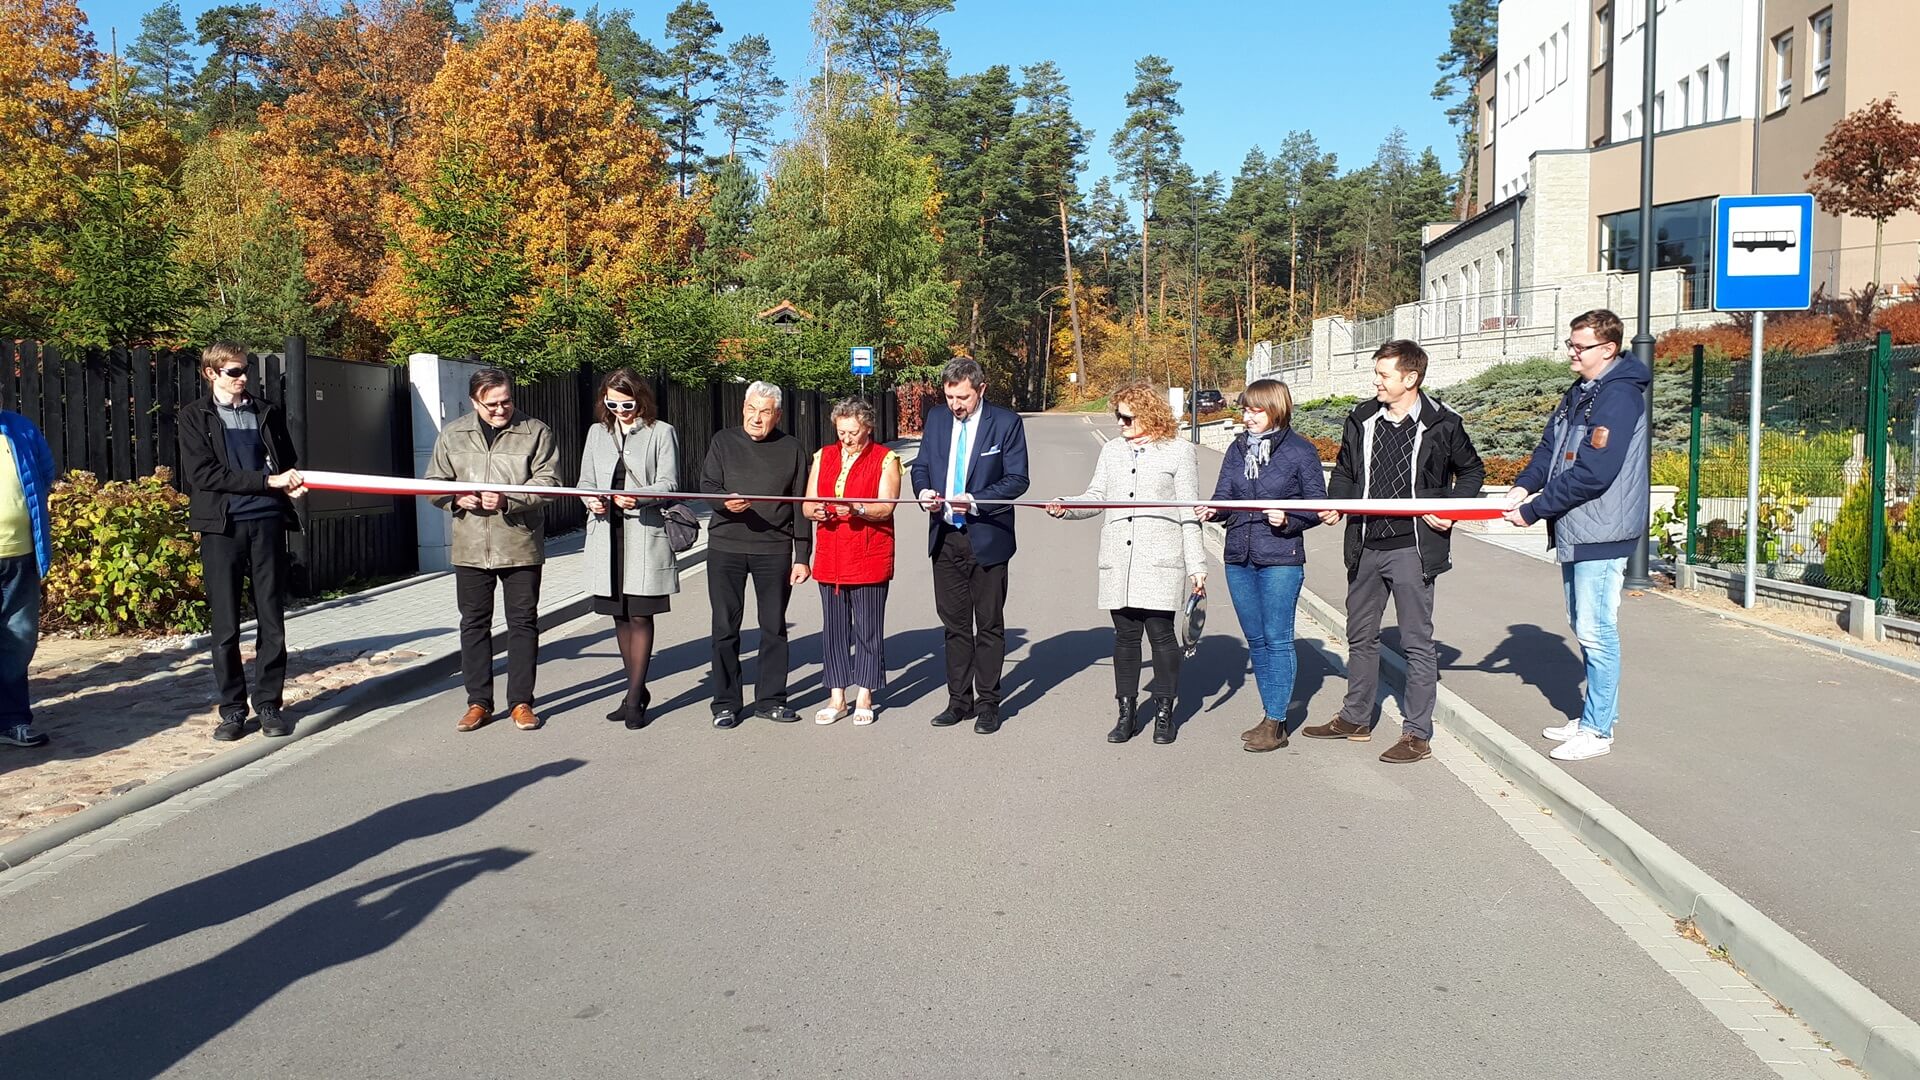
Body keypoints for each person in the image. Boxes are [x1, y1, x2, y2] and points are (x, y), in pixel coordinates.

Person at [1304, 339, 1485, 764]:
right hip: (1366, 546)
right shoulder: (1362, 418)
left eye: (1384, 375)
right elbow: (1347, 471)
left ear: (1410, 378)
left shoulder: (1443, 423)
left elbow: (1472, 470)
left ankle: (1416, 734)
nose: (1376, 382)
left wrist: (1451, 510)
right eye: (1377, 374)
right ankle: (1355, 717)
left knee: (1416, 643)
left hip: (1414, 549)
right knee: (1360, 636)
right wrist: (1338, 503)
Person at [1502, 308, 1650, 762]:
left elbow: (1594, 473)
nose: (1571, 351)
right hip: (1578, 526)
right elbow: (1550, 447)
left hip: (1602, 529)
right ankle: (1591, 716)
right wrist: (1525, 484)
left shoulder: (1619, 397)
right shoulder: (1584, 391)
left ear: (1607, 350)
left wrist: (1534, 510)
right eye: (1570, 343)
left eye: (1579, 346)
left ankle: (1599, 730)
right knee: (1582, 624)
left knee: (1596, 630)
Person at [1048, 384, 1206, 745]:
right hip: (1119, 560)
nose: (1119, 422)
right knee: (1125, 638)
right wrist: (1066, 507)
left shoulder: (1179, 452)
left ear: (1149, 415)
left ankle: (1164, 713)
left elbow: (1188, 510)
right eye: (1117, 416)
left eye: (1127, 417)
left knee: (1162, 637)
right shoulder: (1112, 451)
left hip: (1160, 560)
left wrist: (1197, 564)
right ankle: (1127, 712)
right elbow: (1097, 497)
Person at [177, 343, 306, 742]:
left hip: (267, 522)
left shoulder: (265, 411)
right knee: (226, 625)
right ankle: (232, 710)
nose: (242, 377)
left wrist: (290, 483)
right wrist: (267, 481)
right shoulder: (194, 416)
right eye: (233, 371)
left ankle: (268, 704)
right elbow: (204, 474)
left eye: (245, 370)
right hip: (222, 526)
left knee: (272, 619)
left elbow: (286, 460)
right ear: (211, 373)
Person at [425, 368, 560, 733]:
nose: (501, 410)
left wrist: (508, 499)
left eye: (506, 401)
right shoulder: (453, 433)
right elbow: (433, 483)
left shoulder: (536, 431)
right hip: (470, 546)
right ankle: (478, 703)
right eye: (492, 404)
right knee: (473, 625)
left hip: (520, 544)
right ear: (474, 402)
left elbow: (550, 485)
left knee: (523, 624)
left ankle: (521, 702)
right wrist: (456, 496)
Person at [1195, 378, 1325, 753]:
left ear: (1276, 409)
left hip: (1280, 558)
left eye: (1255, 410)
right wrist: (1214, 510)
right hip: (1239, 556)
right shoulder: (1237, 449)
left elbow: (1317, 505)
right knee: (1256, 640)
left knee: (1277, 638)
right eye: (1245, 409)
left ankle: (1276, 721)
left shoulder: (1301, 451)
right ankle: (1270, 713)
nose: (1247, 417)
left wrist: (1289, 520)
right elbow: (1225, 496)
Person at [910, 357, 1030, 734]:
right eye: (949, 397)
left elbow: (1017, 480)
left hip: (987, 536)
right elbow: (921, 466)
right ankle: (958, 701)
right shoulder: (937, 419)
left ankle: (989, 702)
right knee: (954, 626)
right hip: (945, 536)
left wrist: (975, 499)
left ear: (981, 390)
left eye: (962, 397)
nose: (955, 405)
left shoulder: (1007, 423)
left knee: (989, 625)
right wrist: (923, 491)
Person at [700, 381, 812, 729]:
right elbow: (707, 487)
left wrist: (802, 555)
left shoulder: (792, 448)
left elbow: (800, 505)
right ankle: (726, 703)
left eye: (765, 412)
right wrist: (724, 502)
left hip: (774, 550)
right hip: (726, 547)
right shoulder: (723, 441)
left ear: (777, 415)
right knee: (724, 628)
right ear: (743, 408)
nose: (757, 418)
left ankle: (770, 700)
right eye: (752, 409)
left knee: (774, 628)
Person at [578, 369, 679, 730]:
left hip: (643, 533)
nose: (620, 410)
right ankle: (634, 688)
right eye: (612, 403)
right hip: (607, 535)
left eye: (627, 403)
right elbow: (584, 482)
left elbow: (670, 483)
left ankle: (635, 697)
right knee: (618, 615)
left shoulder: (661, 432)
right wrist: (592, 500)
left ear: (641, 399)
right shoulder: (596, 433)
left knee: (639, 615)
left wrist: (640, 497)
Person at [802, 398, 902, 726]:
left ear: (868, 428)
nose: (846, 438)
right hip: (831, 554)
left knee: (868, 629)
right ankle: (836, 696)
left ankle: (866, 694)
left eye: (853, 432)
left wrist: (859, 509)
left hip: (868, 553)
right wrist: (815, 510)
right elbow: (807, 503)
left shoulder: (886, 458)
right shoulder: (823, 455)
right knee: (833, 629)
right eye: (841, 431)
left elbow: (886, 506)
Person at [0, 408, 56, 750]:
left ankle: (13, 721)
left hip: (20, 553)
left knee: (18, 641)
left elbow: (44, 473)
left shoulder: (19, 428)